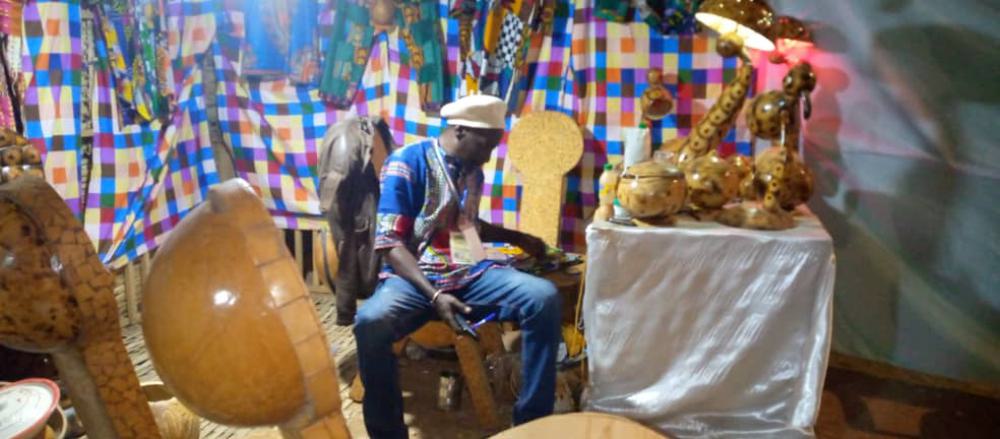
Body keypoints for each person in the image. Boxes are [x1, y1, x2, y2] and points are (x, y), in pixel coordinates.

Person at [355, 95, 561, 438]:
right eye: (487, 144)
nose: (490, 155)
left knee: (543, 298)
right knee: (370, 322)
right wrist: (435, 296)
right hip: (411, 277)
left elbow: (466, 227)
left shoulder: (471, 170)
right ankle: (387, 432)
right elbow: (390, 244)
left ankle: (531, 423)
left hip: (464, 273)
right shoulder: (405, 162)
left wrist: (518, 238)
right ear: (461, 131)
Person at [317, 116, 397, 325]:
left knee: (349, 249)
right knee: (349, 250)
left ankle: (349, 313)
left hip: (357, 199)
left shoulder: (346, 134)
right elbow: (337, 176)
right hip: (351, 200)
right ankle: (351, 313)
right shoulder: (348, 137)